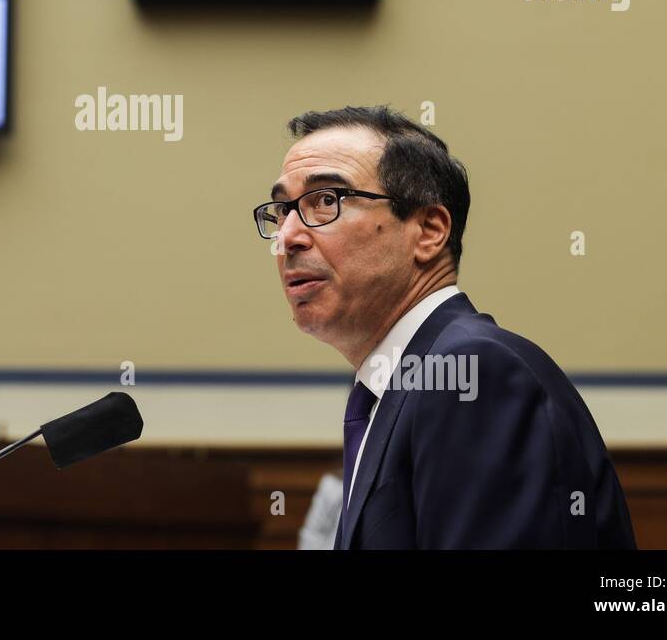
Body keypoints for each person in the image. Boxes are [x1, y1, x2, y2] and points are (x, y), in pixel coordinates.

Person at [255, 105, 636, 549]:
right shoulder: (407, 379)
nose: (288, 238)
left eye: (326, 201)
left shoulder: (470, 370)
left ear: (430, 231)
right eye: (282, 211)